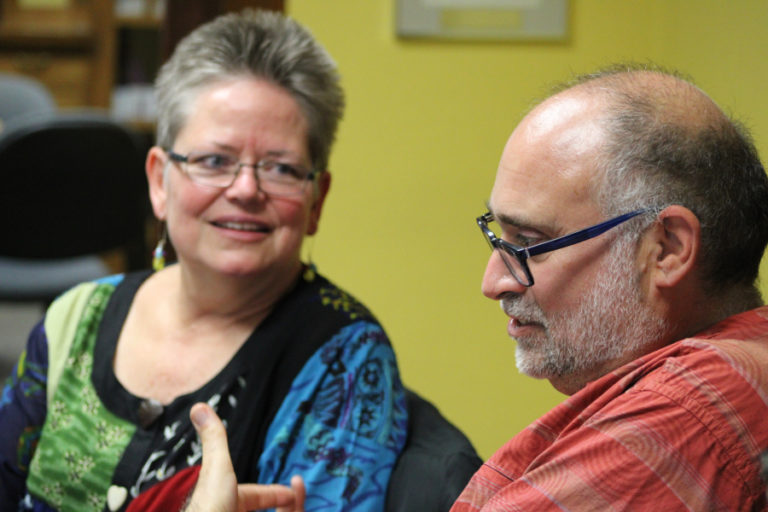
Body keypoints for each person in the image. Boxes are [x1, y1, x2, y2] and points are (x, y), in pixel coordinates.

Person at [0, 9, 409, 511]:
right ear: (158, 181)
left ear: (316, 201)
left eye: (280, 168)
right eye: (214, 161)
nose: (244, 190)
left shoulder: (346, 363)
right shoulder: (76, 318)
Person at [452, 64, 768, 510]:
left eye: (529, 242)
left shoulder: (682, 414)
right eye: (498, 235)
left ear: (667, 249)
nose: (494, 281)